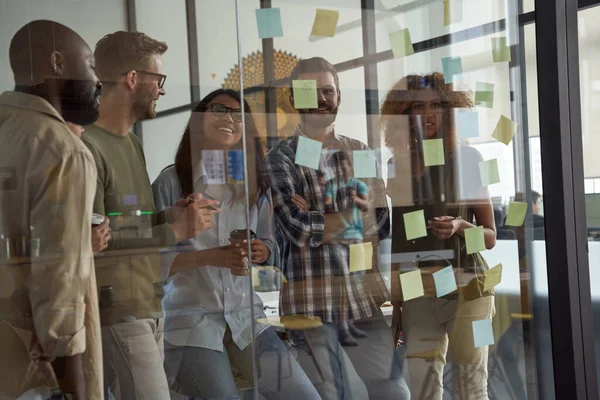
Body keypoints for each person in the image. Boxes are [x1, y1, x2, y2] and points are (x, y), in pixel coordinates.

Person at [152, 88, 320, 399]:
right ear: (199, 120)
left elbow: (271, 244)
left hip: (247, 318)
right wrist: (210, 257)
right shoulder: (171, 183)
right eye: (219, 110)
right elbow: (152, 265)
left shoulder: (254, 182)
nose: (229, 118)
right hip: (192, 322)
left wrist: (263, 250)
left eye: (237, 114)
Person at [265, 57, 410, 399]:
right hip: (309, 301)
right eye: (309, 92)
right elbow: (296, 228)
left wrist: (318, 214)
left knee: (395, 392)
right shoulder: (280, 158)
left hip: (360, 298)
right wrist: (351, 216)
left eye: (327, 90)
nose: (320, 98)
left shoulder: (360, 151)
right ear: (292, 100)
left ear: (339, 96)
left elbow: (381, 222)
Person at [83, 31, 217, 399]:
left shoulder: (132, 143)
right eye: (158, 79)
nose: (161, 89)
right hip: (117, 310)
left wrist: (168, 216)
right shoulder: (87, 147)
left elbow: (128, 223)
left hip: (149, 305)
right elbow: (94, 242)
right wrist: (173, 231)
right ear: (132, 79)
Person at [0, 20, 103, 399]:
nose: (98, 81)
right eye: (91, 65)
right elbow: (59, 280)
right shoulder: (62, 149)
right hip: (39, 370)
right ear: (57, 63)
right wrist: (74, 389)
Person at [381, 73, 497, 399]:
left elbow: (490, 236)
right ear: (405, 114)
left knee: (472, 388)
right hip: (419, 290)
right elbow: (400, 240)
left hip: (470, 286)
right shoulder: (396, 165)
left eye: (437, 105)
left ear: (449, 111)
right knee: (423, 388)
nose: (428, 114)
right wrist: (398, 306)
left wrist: (461, 226)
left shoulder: (469, 158)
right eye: (418, 106)